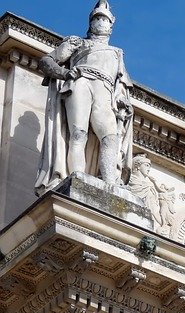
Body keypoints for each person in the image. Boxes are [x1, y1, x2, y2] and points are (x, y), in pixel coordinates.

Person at [35, 0, 133, 195]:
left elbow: (121, 84)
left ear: (111, 26)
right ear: (91, 22)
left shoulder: (117, 53)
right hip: (81, 83)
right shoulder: (78, 43)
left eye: (104, 19)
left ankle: (110, 184)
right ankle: (77, 176)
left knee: (110, 137)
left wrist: (123, 100)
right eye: (97, 18)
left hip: (104, 90)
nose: (100, 22)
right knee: (78, 134)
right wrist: (64, 74)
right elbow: (46, 60)